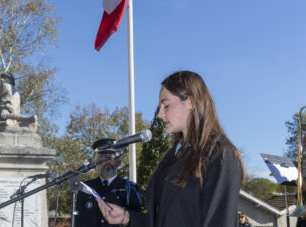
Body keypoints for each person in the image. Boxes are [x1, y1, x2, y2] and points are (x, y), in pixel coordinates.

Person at [97, 70, 246, 227]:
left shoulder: (220, 155)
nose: (160, 114)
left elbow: (220, 221)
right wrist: (127, 218)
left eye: (166, 105)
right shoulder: (174, 154)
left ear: (190, 102)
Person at [75, 138, 142, 227]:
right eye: (104, 157)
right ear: (96, 161)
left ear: (119, 162)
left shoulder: (130, 188)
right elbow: (77, 221)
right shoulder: (85, 187)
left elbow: (136, 221)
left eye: (112, 157)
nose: (108, 161)